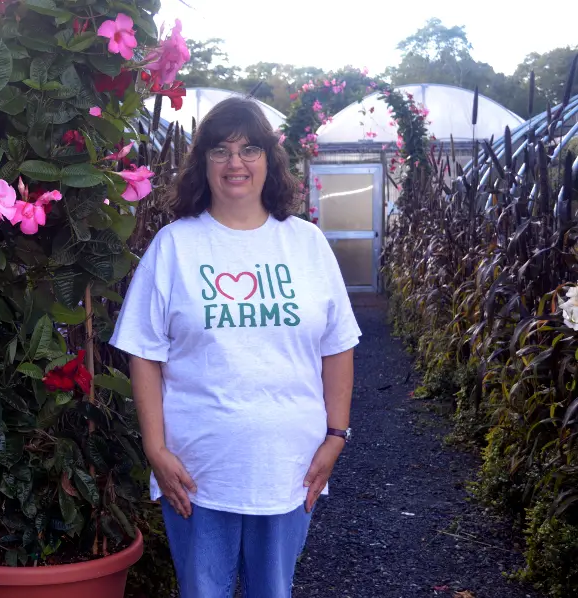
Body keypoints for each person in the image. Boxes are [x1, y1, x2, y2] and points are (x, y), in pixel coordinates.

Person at [108, 97, 361, 598]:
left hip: (289, 464)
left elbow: (338, 347)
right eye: (220, 150)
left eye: (249, 149)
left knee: (275, 591)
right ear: (203, 162)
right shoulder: (175, 245)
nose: (236, 163)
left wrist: (336, 435)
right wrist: (155, 448)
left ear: (270, 159)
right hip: (199, 468)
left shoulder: (307, 243)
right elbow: (144, 353)